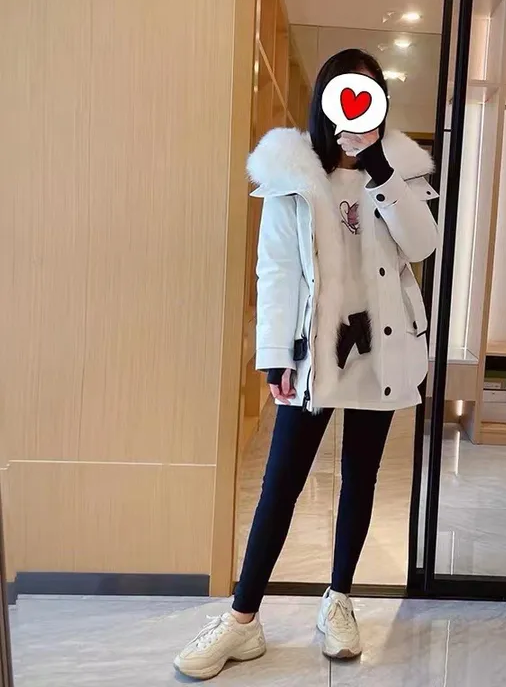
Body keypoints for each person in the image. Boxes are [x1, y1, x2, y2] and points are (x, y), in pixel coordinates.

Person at [174, 48, 438, 680]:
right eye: (345, 92)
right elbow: (275, 271)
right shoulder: (291, 173)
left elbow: (424, 244)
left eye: (369, 93)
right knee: (281, 483)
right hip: (313, 351)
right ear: (325, 99)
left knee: (361, 478)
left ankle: (338, 599)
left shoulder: (399, 169)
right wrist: (273, 357)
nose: (356, 106)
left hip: (380, 346)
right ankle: (242, 621)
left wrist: (379, 170)